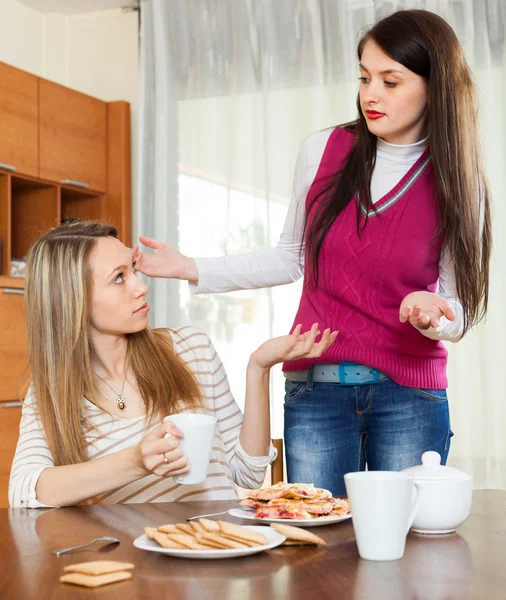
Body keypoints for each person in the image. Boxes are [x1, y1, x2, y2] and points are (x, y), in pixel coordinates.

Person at [132, 9, 491, 495]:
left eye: (391, 81)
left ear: (435, 87)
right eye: (365, 78)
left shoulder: (457, 181)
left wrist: (436, 316)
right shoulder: (323, 150)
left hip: (410, 396)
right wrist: (189, 267)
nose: (371, 95)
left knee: (408, 550)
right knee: (317, 547)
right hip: (316, 391)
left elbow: (460, 309)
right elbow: (289, 256)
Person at [8, 221, 337, 508]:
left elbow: (248, 473)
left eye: (132, 270)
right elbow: (24, 491)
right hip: (139, 571)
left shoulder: (191, 348)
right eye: (119, 278)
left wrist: (258, 368)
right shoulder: (51, 394)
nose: (141, 286)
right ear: (72, 300)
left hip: (219, 560)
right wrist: (136, 461)